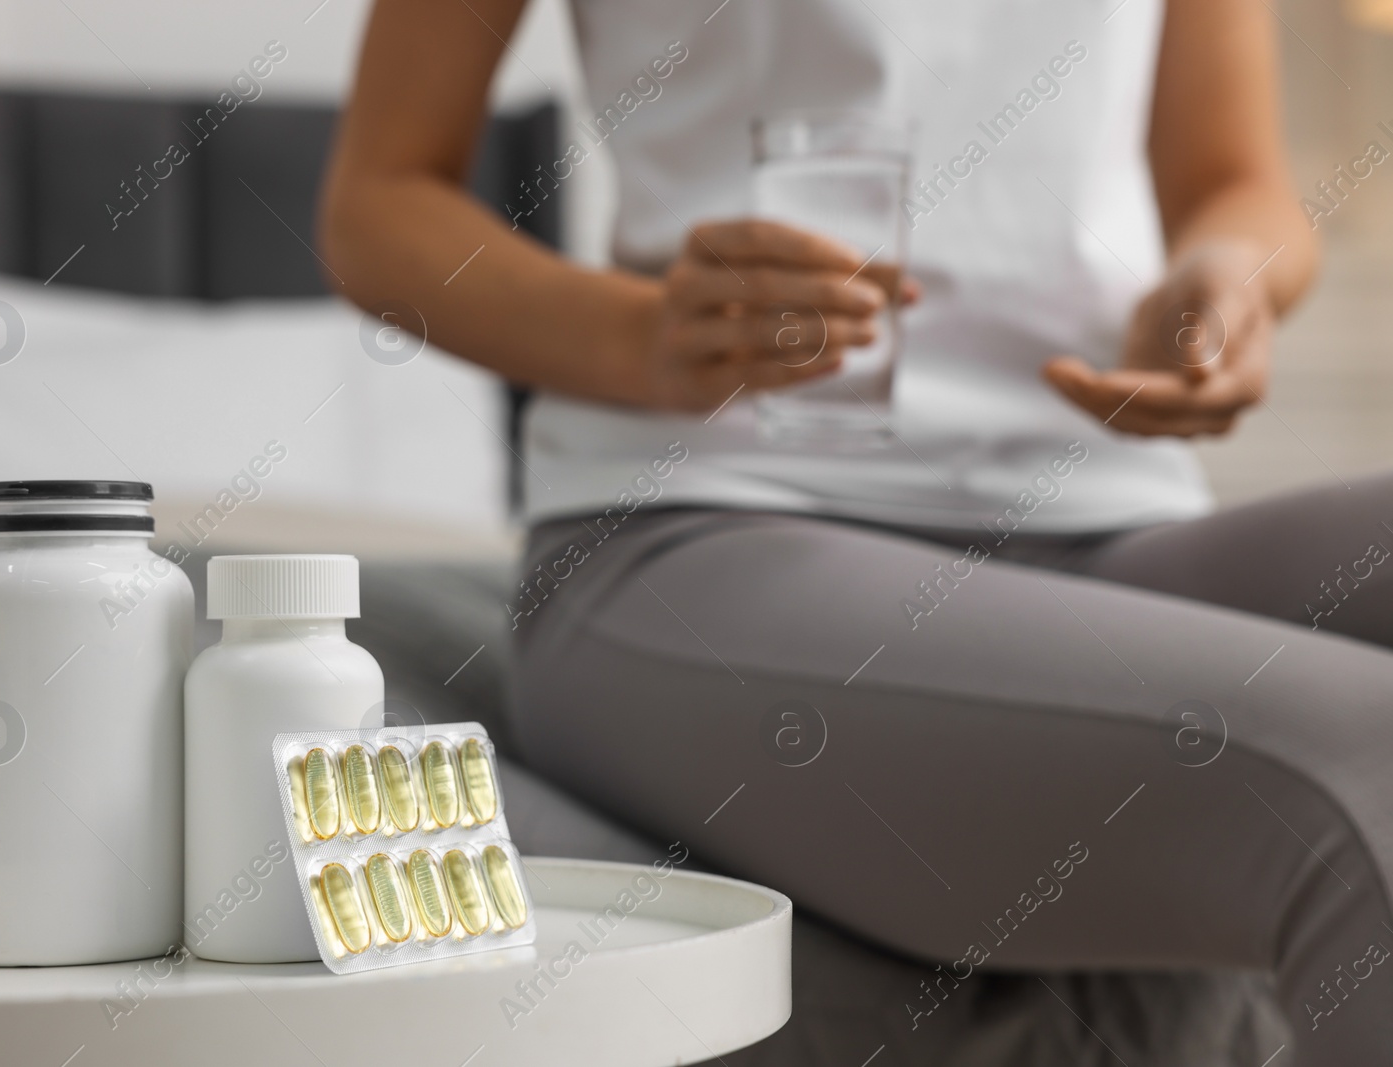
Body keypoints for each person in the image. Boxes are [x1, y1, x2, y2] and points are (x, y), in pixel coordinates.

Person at [324, 0, 1393, 1061]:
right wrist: (638, 337)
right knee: (1363, 758)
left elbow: (1232, 181)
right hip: (708, 525)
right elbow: (377, 201)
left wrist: (1229, 281)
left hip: (1108, 522)